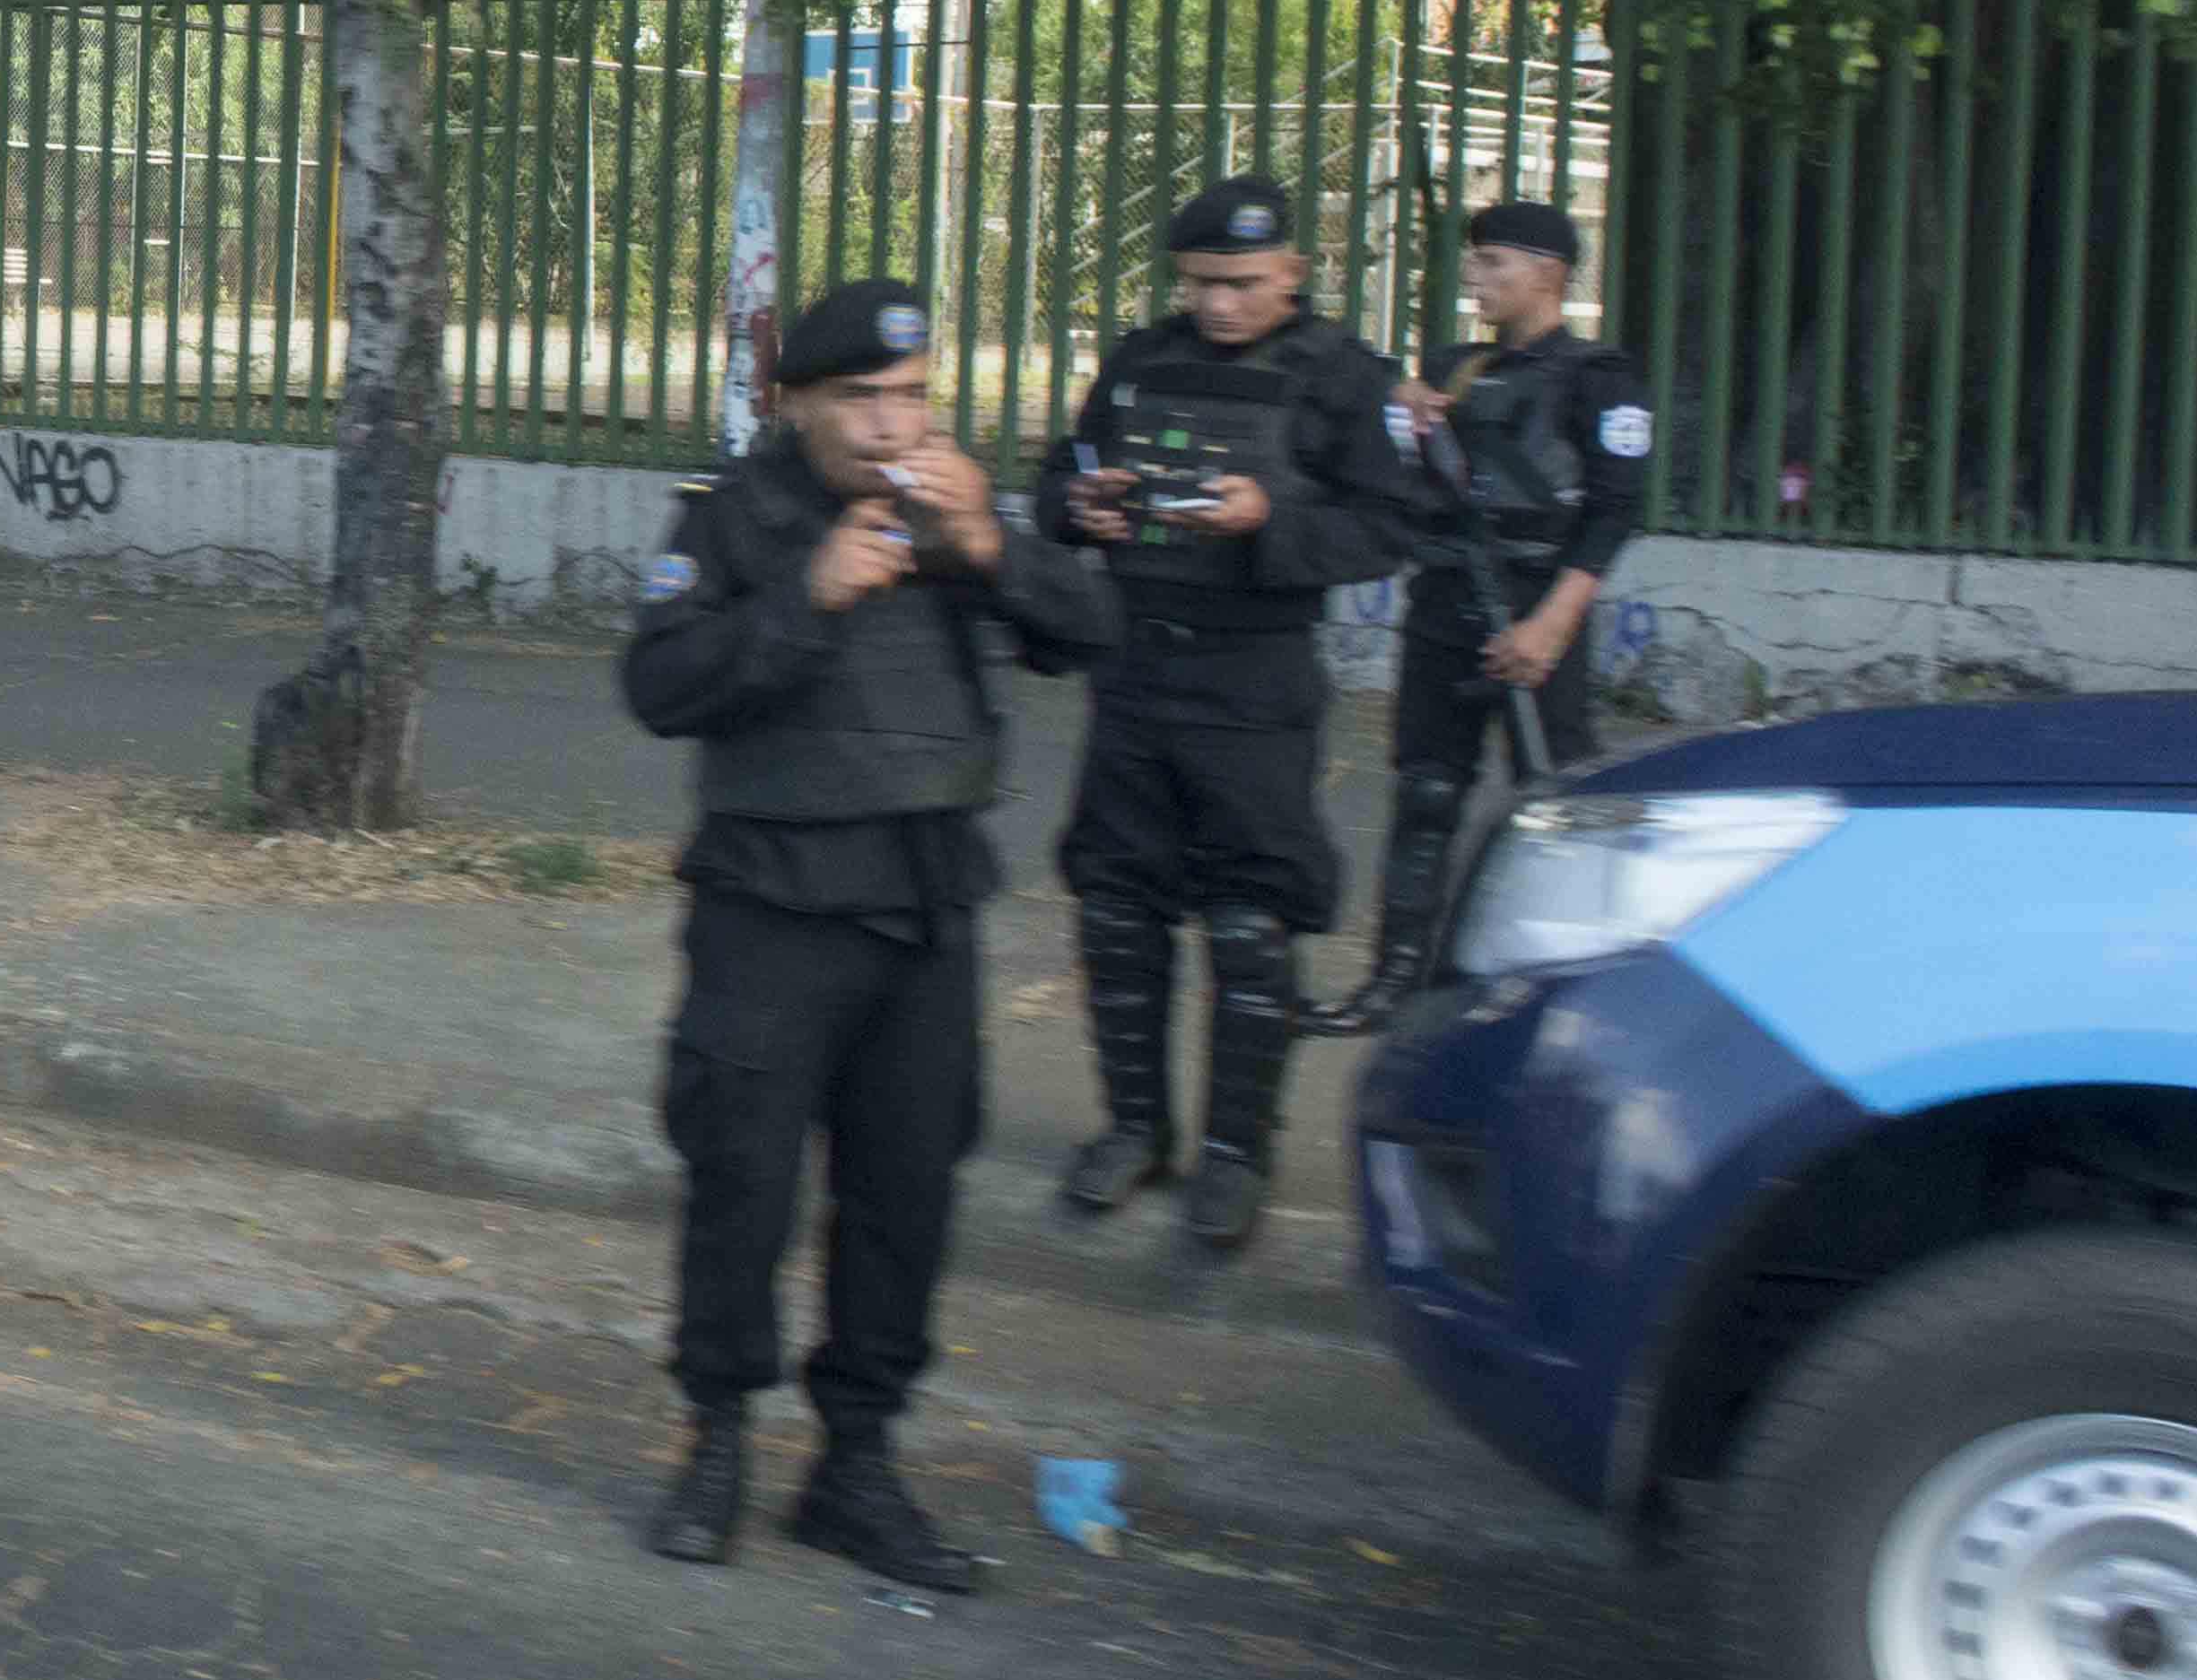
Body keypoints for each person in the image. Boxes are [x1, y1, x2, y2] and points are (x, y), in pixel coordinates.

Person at [622, 281, 1112, 1590]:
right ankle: (716, 1439)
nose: (891, 421)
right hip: (773, 908)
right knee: (744, 1186)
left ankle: (856, 1466)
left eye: (910, 395)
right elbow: (658, 687)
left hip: (925, 909)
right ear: (796, 404)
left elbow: (1088, 629)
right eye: (860, 399)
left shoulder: (953, 507)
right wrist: (809, 594)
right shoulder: (730, 522)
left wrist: (996, 547)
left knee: (905, 1200)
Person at [1038, 176, 1425, 1251]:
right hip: (1133, 670)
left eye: (1242, 282)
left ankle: (1235, 1154)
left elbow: (1388, 526)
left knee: (1250, 925)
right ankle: (1133, 1128)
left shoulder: (1347, 379)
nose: (1217, 303)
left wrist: (1272, 521)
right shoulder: (1136, 360)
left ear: (1293, 271)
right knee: (1116, 908)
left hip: (1253, 684)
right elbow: (1055, 478)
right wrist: (1076, 503)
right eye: (1201, 282)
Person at [1331, 200, 1650, 1031]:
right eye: (1472, 264)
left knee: (1556, 803)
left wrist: (1551, 624)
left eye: (1493, 264)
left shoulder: (1599, 377)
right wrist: (1402, 414)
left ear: (1549, 273)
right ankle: (1397, 981)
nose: (1474, 280)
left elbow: (1614, 512)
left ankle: (1564, 989)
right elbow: (1403, 477)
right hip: (1446, 598)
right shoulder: (1452, 366)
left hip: (1538, 602)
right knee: (1426, 793)